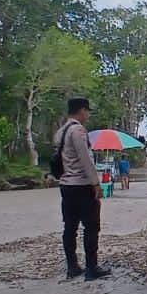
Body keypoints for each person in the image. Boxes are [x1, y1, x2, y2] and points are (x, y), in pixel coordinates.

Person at [54, 97, 110, 281]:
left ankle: (72, 266)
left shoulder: (61, 131)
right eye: (87, 111)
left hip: (66, 185)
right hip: (82, 185)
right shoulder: (78, 130)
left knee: (70, 227)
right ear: (81, 110)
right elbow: (86, 159)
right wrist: (96, 183)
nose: (88, 115)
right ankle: (91, 267)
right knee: (91, 227)